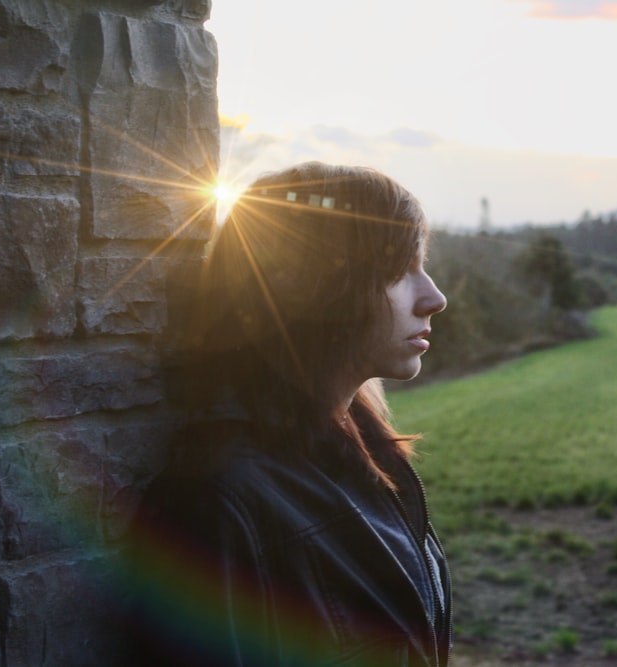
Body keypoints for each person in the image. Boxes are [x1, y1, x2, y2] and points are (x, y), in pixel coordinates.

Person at [119, 162, 451, 666]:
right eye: (396, 272)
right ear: (316, 290)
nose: (434, 298)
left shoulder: (364, 456)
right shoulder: (220, 504)